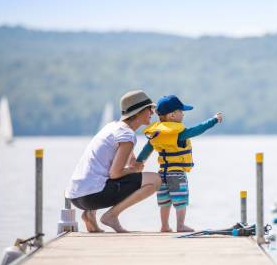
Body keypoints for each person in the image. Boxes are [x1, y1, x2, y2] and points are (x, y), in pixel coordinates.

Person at [65, 90, 162, 233]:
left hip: (75, 196)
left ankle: (89, 215)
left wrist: (134, 167)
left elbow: (129, 161)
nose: (153, 113)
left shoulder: (112, 127)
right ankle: (111, 216)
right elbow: (116, 174)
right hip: (91, 196)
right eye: (150, 109)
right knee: (155, 180)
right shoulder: (127, 135)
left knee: (100, 173)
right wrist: (134, 170)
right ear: (139, 112)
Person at [137, 95, 223, 232]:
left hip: (162, 173)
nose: (183, 114)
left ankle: (164, 226)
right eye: (181, 111)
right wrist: (213, 120)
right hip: (176, 173)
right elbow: (198, 129)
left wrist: (138, 163)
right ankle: (180, 225)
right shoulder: (178, 134)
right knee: (180, 200)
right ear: (172, 115)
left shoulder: (156, 134)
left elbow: (145, 151)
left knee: (164, 201)